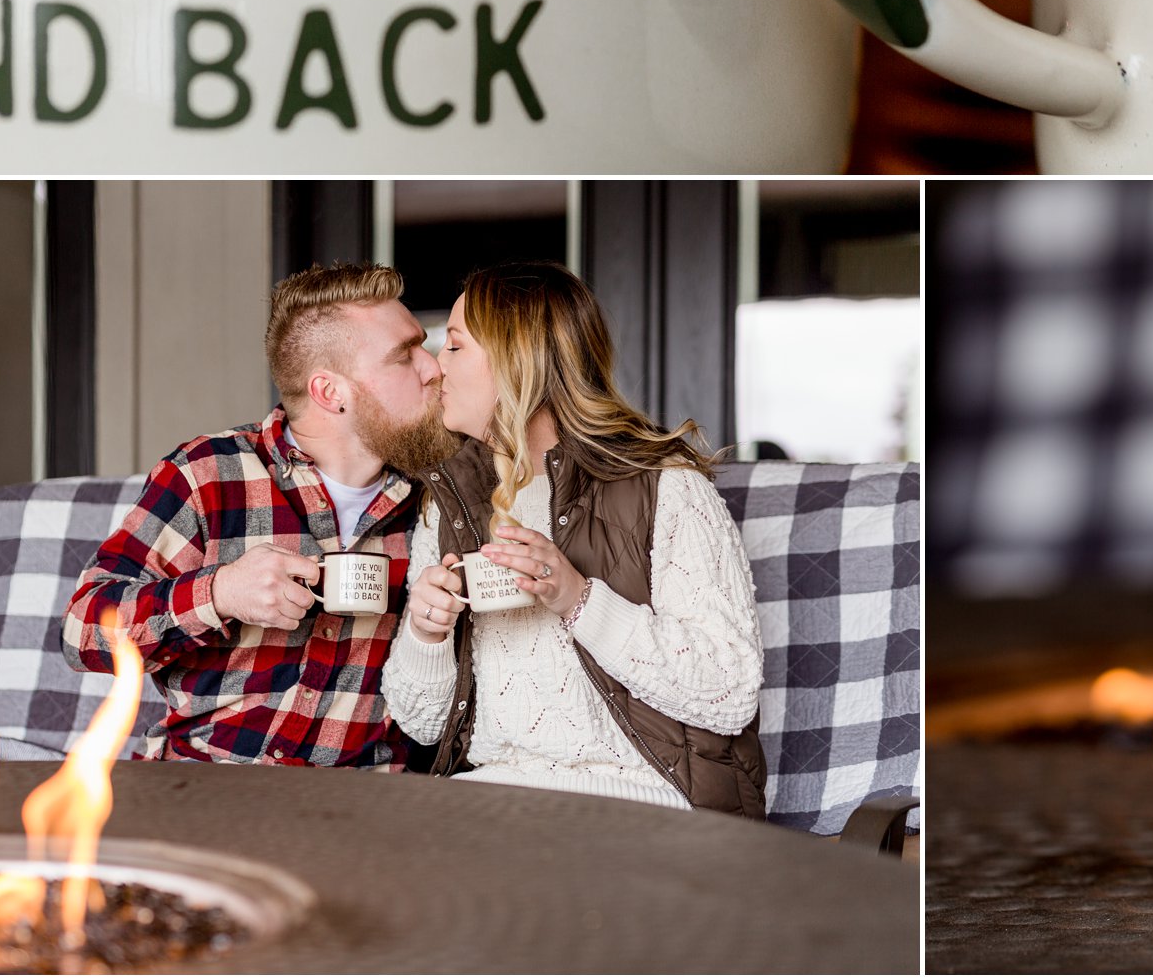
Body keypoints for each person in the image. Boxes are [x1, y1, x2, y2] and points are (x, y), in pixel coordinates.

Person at [384, 262, 767, 815]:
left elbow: (727, 693)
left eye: (456, 347)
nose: (435, 369)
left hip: (645, 802)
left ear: (521, 360)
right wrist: (427, 633)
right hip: (495, 802)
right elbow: (421, 724)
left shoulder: (669, 491)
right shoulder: (451, 501)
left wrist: (576, 599)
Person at [66, 261, 451, 763]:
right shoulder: (209, 474)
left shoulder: (439, 500)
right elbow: (82, 631)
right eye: (405, 356)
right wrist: (221, 592)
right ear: (330, 392)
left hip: (362, 809)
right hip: (204, 788)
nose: (433, 367)